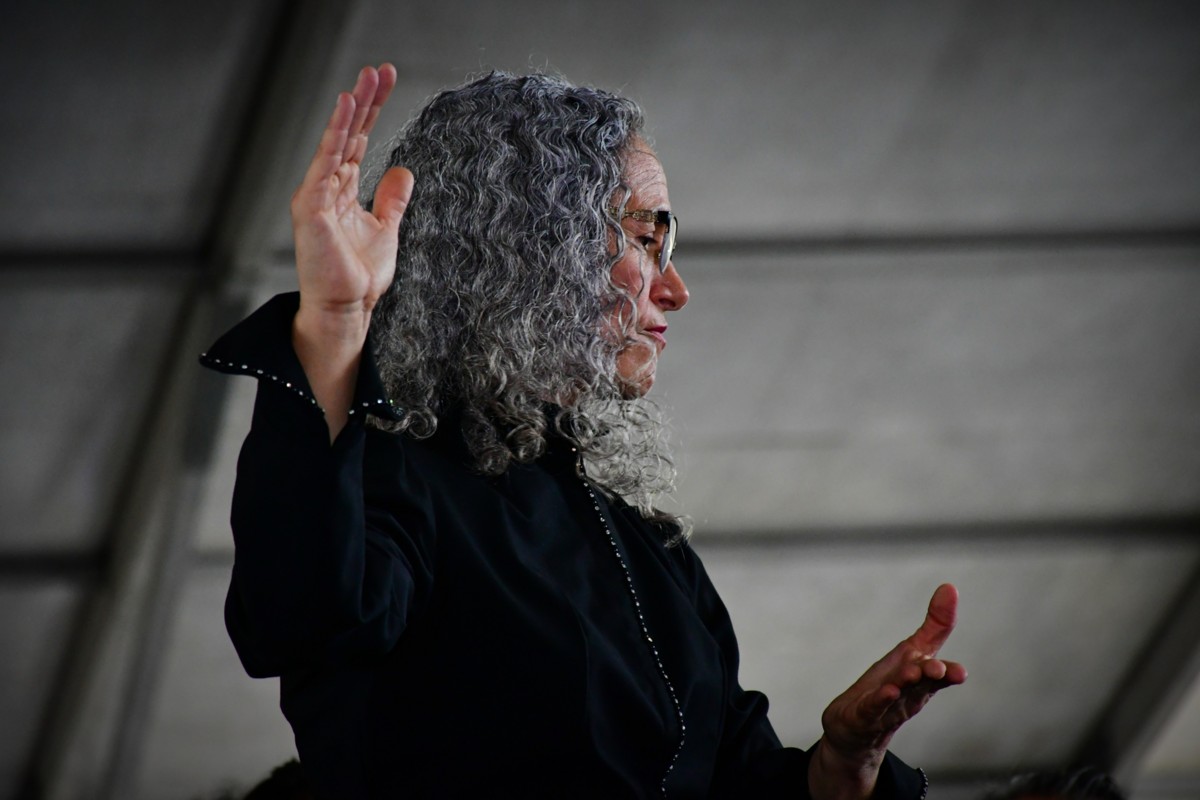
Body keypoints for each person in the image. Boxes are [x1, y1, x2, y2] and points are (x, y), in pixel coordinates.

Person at [201, 63, 966, 799]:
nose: (676, 289)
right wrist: (335, 325)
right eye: (649, 240)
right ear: (533, 246)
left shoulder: (646, 543)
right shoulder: (394, 478)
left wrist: (842, 766)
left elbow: (737, 779)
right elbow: (298, 621)